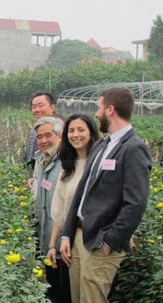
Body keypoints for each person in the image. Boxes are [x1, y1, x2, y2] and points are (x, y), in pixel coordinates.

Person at [60, 87, 152, 303]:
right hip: (79, 238)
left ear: (110, 110)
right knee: (77, 298)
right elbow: (82, 192)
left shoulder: (133, 148)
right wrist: (67, 233)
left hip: (101, 244)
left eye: (98, 107)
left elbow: (136, 203)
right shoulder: (102, 145)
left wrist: (110, 241)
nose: (96, 113)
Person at [45, 114, 99, 302]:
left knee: (92, 295)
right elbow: (60, 212)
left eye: (81, 130)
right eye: (71, 130)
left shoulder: (100, 165)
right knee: (75, 295)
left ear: (91, 133)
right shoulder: (67, 167)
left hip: (95, 240)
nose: (75, 135)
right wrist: (53, 246)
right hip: (72, 239)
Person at [32, 116, 68, 302]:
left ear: (60, 136)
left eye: (48, 135)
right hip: (47, 239)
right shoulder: (42, 160)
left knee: (63, 292)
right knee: (52, 289)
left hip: (63, 243)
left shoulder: (66, 162)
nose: (44, 140)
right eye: (39, 137)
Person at [24, 92, 64, 170]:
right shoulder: (35, 129)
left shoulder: (61, 126)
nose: (37, 110)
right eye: (34, 107)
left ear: (52, 108)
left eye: (40, 105)